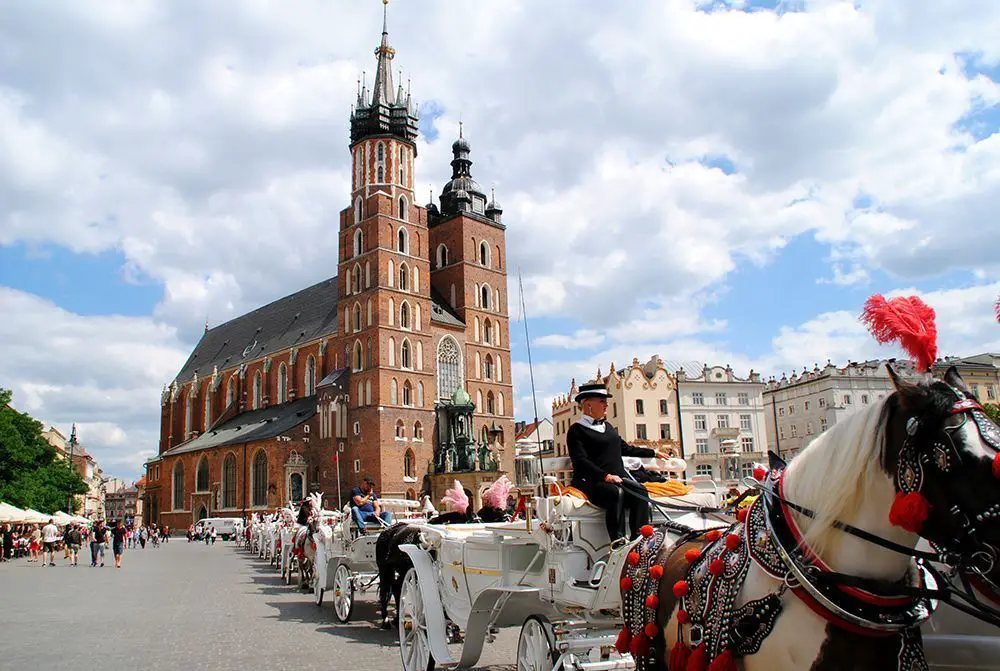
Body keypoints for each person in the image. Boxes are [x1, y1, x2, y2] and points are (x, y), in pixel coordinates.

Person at [567, 382, 670, 541]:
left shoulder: (607, 427)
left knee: (640, 491)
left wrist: (653, 452)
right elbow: (580, 461)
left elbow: (625, 448)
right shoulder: (576, 430)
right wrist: (605, 476)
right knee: (615, 493)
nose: (606, 405)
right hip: (592, 481)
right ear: (588, 404)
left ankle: (640, 538)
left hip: (616, 479)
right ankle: (618, 541)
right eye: (602, 401)